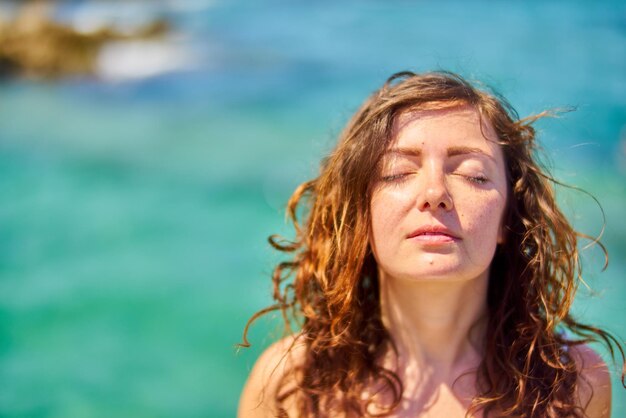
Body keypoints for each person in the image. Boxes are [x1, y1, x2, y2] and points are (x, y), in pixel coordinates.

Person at [237, 71, 624, 417]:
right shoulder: (292, 384)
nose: (434, 192)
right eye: (398, 172)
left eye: (473, 175)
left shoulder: (573, 384)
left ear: (509, 217)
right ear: (360, 215)